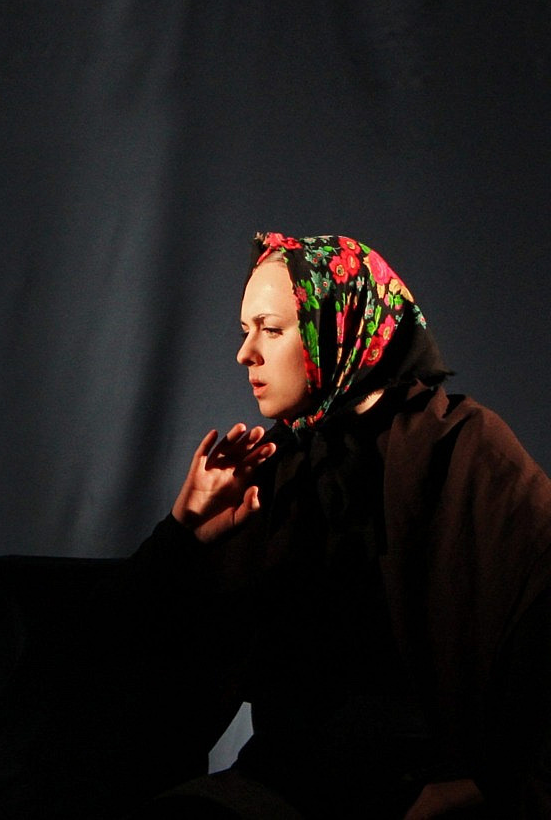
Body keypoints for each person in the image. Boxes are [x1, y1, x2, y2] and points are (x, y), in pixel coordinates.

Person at [141, 233, 551, 818]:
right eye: (244, 330)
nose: (245, 353)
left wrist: (482, 786)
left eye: (270, 329)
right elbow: (157, 655)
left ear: (337, 327)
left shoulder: (464, 447)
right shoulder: (275, 466)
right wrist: (183, 536)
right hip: (284, 783)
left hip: (429, 785)